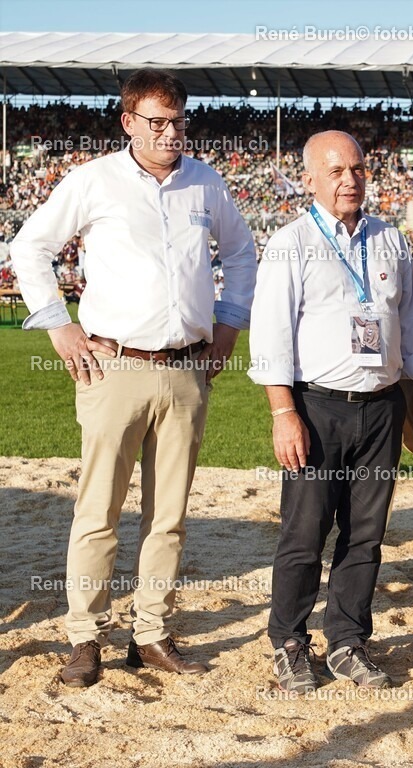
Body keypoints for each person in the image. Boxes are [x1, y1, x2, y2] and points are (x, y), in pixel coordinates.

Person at [10, 69, 257, 687]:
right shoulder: (93, 180)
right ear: (128, 122)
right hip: (112, 365)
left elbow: (244, 253)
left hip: (185, 370)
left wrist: (228, 326)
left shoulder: (205, 182)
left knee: (168, 516)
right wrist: (58, 327)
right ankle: (85, 637)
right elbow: (29, 247)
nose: (170, 132)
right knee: (98, 511)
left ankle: (151, 632)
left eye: (177, 121)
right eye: (156, 121)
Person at [248, 130, 413, 694]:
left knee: (365, 537)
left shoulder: (390, 242)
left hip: (382, 411)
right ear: (309, 180)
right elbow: (271, 337)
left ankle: (348, 642)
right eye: (335, 171)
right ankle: (289, 643)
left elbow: (411, 331)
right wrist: (284, 414)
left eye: (357, 169)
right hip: (315, 408)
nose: (349, 179)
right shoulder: (290, 243)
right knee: (304, 536)